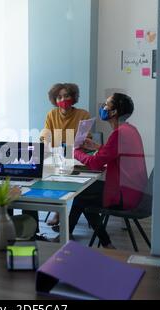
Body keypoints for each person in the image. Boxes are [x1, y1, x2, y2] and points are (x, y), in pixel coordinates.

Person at [69, 93, 148, 249]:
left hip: (124, 196)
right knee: (84, 195)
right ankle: (105, 243)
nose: (103, 107)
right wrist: (97, 147)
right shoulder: (130, 130)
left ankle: (67, 238)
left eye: (106, 104)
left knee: (81, 196)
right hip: (135, 191)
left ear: (114, 112)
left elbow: (95, 164)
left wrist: (75, 151)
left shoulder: (118, 134)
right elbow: (117, 153)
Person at [40, 83, 91, 226]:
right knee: (53, 175)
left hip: (75, 154)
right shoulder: (51, 114)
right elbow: (46, 132)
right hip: (56, 155)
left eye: (67, 96)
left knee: (70, 176)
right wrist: (44, 140)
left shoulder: (83, 114)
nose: (63, 99)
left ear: (73, 97)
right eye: (59, 97)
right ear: (54, 100)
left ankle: (69, 213)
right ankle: (58, 211)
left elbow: (87, 137)